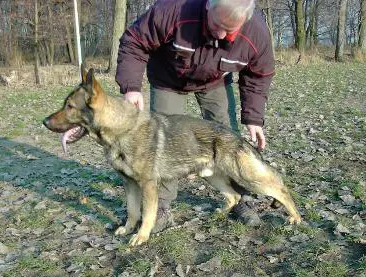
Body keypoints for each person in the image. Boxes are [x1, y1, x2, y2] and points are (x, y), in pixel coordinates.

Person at [115, 0, 275, 230]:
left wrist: (254, 118)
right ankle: (160, 207)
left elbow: (259, 76)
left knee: (228, 142)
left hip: (215, 81)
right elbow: (134, 41)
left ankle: (241, 199)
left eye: (229, 31)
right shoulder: (173, 11)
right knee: (165, 144)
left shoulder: (256, 34)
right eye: (217, 24)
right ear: (208, 5)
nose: (220, 34)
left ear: (245, 21)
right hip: (168, 80)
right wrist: (131, 87)